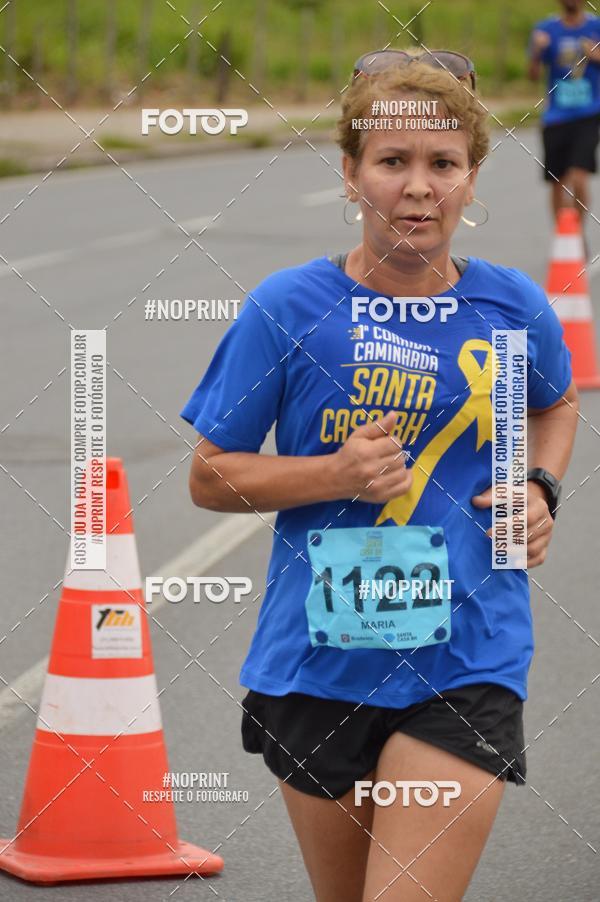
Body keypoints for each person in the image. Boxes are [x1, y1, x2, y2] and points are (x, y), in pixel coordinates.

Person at [181, 48, 579, 902]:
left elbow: (557, 403)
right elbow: (210, 479)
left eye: (444, 163)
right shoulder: (287, 307)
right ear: (352, 175)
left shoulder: (514, 306)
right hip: (317, 665)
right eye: (393, 161)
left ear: (472, 180)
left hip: (468, 657)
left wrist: (540, 488)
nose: (419, 186)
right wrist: (332, 472)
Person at [528, 0, 600, 246]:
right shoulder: (546, 29)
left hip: (588, 114)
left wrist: (596, 56)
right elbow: (533, 75)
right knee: (557, 181)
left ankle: (576, 232)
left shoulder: (596, 27)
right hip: (556, 115)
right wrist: (537, 51)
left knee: (579, 177)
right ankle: (564, 236)